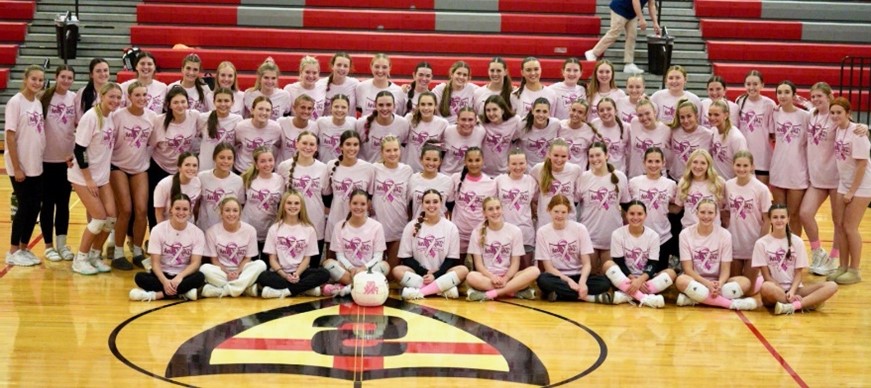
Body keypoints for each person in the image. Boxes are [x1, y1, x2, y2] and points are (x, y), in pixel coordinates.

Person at [68, 82, 122, 275]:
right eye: (111, 97)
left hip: (102, 176)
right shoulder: (91, 117)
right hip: (83, 177)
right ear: (102, 96)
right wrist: (88, 179)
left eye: (118, 98)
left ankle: (94, 255)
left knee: (111, 218)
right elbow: (79, 148)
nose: (115, 101)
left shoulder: (110, 118)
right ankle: (80, 258)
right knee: (99, 219)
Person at [755, 204, 838, 314]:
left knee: (832, 286)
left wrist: (792, 291)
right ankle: (805, 303)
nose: (779, 220)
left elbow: (799, 273)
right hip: (774, 290)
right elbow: (766, 276)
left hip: (796, 289)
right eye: (775, 217)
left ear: (788, 218)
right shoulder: (761, 243)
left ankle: (792, 306)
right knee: (766, 287)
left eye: (782, 217)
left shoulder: (797, 241)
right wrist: (785, 293)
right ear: (770, 219)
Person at [674, 199, 757, 310]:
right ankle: (730, 304)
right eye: (703, 212)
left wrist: (720, 283)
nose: (706, 216)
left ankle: (696, 299)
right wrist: (706, 283)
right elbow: (688, 269)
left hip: (717, 283)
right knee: (681, 281)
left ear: (716, 214)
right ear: (696, 212)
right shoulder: (685, 234)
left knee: (745, 282)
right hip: (697, 281)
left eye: (710, 213)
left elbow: (725, 270)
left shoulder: (725, 235)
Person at [109, 81, 158, 269]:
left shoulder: (152, 117)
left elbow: (152, 143)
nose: (141, 99)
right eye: (137, 95)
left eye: (144, 95)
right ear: (129, 97)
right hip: (118, 166)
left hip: (139, 167)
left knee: (141, 210)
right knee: (126, 210)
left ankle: (137, 250)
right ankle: (118, 253)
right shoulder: (118, 116)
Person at [535, 195, 616, 303]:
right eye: (556, 211)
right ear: (549, 210)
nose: (560, 215)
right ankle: (587, 297)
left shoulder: (580, 229)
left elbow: (587, 263)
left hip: (578, 275)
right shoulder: (542, 232)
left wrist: (582, 282)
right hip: (559, 277)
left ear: (568, 212)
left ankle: (561, 295)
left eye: (563, 212)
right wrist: (568, 281)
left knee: (604, 282)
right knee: (543, 280)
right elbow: (549, 268)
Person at [129, 194, 206, 301]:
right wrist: (165, 281)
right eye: (177, 208)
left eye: (185, 209)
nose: (181, 212)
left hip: (183, 275)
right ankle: (183, 293)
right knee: (139, 277)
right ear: (171, 210)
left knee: (200, 277)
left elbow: (195, 263)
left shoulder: (197, 233)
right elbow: (155, 263)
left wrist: (179, 277)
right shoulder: (158, 230)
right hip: (162, 274)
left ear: (190, 212)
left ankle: (156, 295)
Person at [5, 65, 45, 266]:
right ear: (26, 79)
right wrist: (17, 167)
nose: (37, 83)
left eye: (40, 80)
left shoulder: (37, 103)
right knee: (25, 206)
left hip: (35, 163)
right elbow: (10, 136)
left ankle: (23, 247)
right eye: (34, 79)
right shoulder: (16, 102)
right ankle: (12, 251)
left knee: (34, 206)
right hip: (20, 165)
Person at [828, 97, 871, 285]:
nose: (835, 115)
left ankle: (854, 270)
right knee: (839, 225)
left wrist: (851, 192)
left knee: (850, 227)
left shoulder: (858, 132)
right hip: (844, 183)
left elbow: (862, 165)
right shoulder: (838, 129)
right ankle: (842, 266)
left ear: (848, 114)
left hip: (860, 185)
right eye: (833, 112)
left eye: (839, 112)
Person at [394, 189, 467, 299]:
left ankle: (420, 292)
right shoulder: (411, 226)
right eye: (427, 202)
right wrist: (426, 272)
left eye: (435, 202)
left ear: (441, 203)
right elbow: (406, 257)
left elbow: (452, 260)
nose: (431, 205)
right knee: (397, 271)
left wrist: (435, 275)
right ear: (422, 204)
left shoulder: (451, 227)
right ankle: (441, 290)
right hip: (419, 275)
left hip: (442, 274)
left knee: (463, 270)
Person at [256, 191, 331, 298]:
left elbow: (307, 259)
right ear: (283, 205)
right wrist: (285, 275)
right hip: (280, 273)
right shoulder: (274, 228)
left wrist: (297, 274)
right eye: (289, 203)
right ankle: (305, 290)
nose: (293, 206)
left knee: (324, 273)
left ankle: (284, 292)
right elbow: (272, 259)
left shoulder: (309, 229)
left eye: (296, 203)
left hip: (300, 272)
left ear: (301, 206)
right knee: (262, 276)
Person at [603, 200, 676, 307]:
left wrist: (641, 280)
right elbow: (619, 262)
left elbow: (653, 264)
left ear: (645, 215)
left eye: (640, 214)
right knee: (607, 264)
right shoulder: (617, 234)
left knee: (671, 273)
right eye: (632, 214)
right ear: (626, 215)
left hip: (646, 280)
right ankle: (644, 298)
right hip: (625, 277)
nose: (635, 217)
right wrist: (633, 279)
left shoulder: (653, 236)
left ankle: (628, 295)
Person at [466, 197, 540, 301]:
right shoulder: (477, 232)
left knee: (534, 271)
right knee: (471, 276)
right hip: (488, 278)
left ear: (502, 209)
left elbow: (515, 263)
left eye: (497, 208)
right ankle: (512, 291)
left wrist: (506, 278)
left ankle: (490, 294)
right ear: (484, 213)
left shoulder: (514, 231)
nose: (495, 212)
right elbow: (479, 265)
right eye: (490, 209)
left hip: (509, 277)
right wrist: (492, 277)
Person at [38, 65, 76, 262]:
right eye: (63, 77)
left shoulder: (74, 98)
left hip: (66, 161)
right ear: (56, 77)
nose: (66, 80)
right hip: (45, 160)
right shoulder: (44, 97)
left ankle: (62, 244)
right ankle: (48, 246)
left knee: (63, 204)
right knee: (47, 205)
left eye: (70, 78)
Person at [323, 189, 390, 297]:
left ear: (368, 205)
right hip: (348, 271)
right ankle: (364, 286)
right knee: (328, 264)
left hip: (368, 270)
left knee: (385, 266)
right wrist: (351, 268)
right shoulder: (339, 226)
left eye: (362, 204)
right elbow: (339, 256)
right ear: (349, 204)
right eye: (355, 203)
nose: (358, 207)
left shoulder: (376, 226)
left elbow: (378, 256)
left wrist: (364, 268)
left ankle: (347, 288)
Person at [276, 131, 330, 266]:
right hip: (292, 220)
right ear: (296, 144)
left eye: (312, 144)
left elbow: (326, 195)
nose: (308, 147)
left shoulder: (323, 168)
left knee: (313, 266)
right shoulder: (284, 166)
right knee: (290, 261)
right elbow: (281, 196)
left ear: (317, 147)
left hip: (315, 219)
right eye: (304, 143)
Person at [577, 142, 631, 273]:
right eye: (591, 156)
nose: (595, 159)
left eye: (598, 155)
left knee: (610, 277)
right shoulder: (583, 178)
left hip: (612, 236)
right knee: (592, 276)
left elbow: (626, 208)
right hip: (590, 236)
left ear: (607, 155)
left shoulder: (620, 177)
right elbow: (574, 205)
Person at [200, 197, 266, 298]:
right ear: (221, 213)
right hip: (222, 272)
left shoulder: (250, 230)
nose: (231, 214)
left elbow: (248, 258)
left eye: (235, 210)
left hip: (243, 270)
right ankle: (245, 289)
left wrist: (237, 272)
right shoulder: (211, 232)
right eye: (227, 210)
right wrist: (227, 273)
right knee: (204, 269)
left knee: (261, 264)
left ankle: (221, 291)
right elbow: (215, 260)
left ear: (240, 213)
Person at [725, 150, 772, 284]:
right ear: (733, 166)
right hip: (734, 242)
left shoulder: (761, 189)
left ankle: (761, 279)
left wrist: (761, 243)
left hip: (753, 242)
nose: (741, 169)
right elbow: (726, 211)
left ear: (752, 167)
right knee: (735, 286)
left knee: (748, 288)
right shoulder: (728, 185)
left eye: (745, 166)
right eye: (738, 165)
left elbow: (767, 219)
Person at [770, 81, 810, 237]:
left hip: (797, 170)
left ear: (794, 95)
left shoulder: (804, 116)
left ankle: (794, 249)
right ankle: (777, 247)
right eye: (779, 92)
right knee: (778, 214)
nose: (782, 96)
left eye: (787, 92)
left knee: (793, 215)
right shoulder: (774, 113)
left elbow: (825, 115)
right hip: (778, 169)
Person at [371, 135, 413, 270]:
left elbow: (409, 199)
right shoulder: (374, 169)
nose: (392, 154)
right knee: (376, 270)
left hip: (398, 226)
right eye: (388, 151)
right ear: (382, 152)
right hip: (376, 227)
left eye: (396, 150)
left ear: (400, 150)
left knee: (391, 272)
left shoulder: (407, 170)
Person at [585, 0, 660, 74]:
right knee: (614, 33)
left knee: (632, 36)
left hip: (632, 12)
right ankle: (593, 53)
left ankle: (629, 63)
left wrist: (655, 22)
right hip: (620, 8)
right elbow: (635, 1)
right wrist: (641, 19)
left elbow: (651, 5)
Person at [448, 147, 497, 259]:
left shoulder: (491, 183)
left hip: (480, 232)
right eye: (470, 160)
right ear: (465, 161)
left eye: (477, 160)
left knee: (478, 269)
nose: (474, 164)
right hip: (459, 232)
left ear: (483, 161)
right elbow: (450, 204)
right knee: (458, 269)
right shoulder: (456, 178)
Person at [495, 150, 538, 268]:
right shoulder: (499, 180)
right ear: (508, 164)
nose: (518, 167)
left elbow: (536, 201)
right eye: (514, 164)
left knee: (525, 268)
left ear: (526, 163)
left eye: (521, 163)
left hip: (525, 230)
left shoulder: (531, 181)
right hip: (504, 231)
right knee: (506, 269)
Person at [240, 147, 284, 261]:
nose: (267, 164)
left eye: (270, 160)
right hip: (249, 226)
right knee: (251, 264)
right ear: (256, 164)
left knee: (266, 265)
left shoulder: (280, 180)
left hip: (269, 228)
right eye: (263, 161)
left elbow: (282, 204)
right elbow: (240, 203)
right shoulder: (247, 178)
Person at [197, 143, 245, 232]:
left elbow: (240, 205)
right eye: (222, 157)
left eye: (229, 158)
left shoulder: (238, 180)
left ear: (234, 160)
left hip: (226, 231)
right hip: (204, 228)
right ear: (214, 158)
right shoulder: (202, 177)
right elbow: (196, 204)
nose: (226, 161)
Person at [356, 91, 409, 162]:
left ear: (394, 105)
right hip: (368, 170)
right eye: (381, 105)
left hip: (391, 170)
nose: (384, 108)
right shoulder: (361, 123)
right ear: (375, 105)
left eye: (388, 105)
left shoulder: (403, 124)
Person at [233, 96, 282, 173]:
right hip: (243, 170)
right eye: (260, 109)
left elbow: (279, 146)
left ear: (271, 113)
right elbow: (236, 144)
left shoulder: (276, 129)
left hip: (265, 170)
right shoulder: (241, 127)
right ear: (252, 110)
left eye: (267, 110)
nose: (264, 112)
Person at [404, 91, 448, 172]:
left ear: (435, 106)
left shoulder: (443, 123)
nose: (426, 108)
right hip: (410, 169)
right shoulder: (409, 119)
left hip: (430, 170)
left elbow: (444, 150)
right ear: (418, 106)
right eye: (423, 104)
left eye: (430, 104)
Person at [153, 152, 201, 225]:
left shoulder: (198, 183)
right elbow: (159, 213)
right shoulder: (164, 184)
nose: (191, 168)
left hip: (188, 227)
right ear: (179, 167)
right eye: (187, 165)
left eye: (194, 165)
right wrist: (162, 231)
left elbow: (195, 209)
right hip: (169, 227)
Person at [627, 99, 670, 178]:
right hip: (635, 176)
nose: (644, 118)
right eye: (640, 115)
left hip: (658, 178)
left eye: (647, 113)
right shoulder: (634, 123)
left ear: (654, 112)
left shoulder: (666, 130)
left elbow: (670, 157)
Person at [480, 95, 519, 176]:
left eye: (495, 109)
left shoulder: (515, 121)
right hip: (484, 172)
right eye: (488, 110)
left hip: (504, 172)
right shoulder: (481, 123)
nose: (491, 113)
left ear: (503, 110)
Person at [516, 97, 560, 168]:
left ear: (549, 112)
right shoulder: (522, 124)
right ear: (532, 111)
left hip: (547, 170)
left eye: (545, 112)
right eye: (538, 111)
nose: (541, 115)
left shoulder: (556, 124)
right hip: (526, 170)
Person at [316, 94, 356, 163]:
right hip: (324, 166)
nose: (340, 110)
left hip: (344, 168)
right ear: (331, 108)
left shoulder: (353, 123)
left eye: (343, 107)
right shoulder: (321, 122)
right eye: (336, 106)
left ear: (348, 109)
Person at [284, 55, 326, 120]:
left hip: (316, 128)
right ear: (301, 72)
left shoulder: (323, 87)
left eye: (314, 73)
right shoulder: (290, 89)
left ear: (319, 73)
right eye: (307, 72)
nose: (311, 76)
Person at [320, 52, 359, 117]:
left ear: (349, 69)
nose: (342, 68)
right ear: (332, 66)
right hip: (327, 125)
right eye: (339, 65)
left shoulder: (355, 84)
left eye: (345, 66)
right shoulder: (321, 84)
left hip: (348, 126)